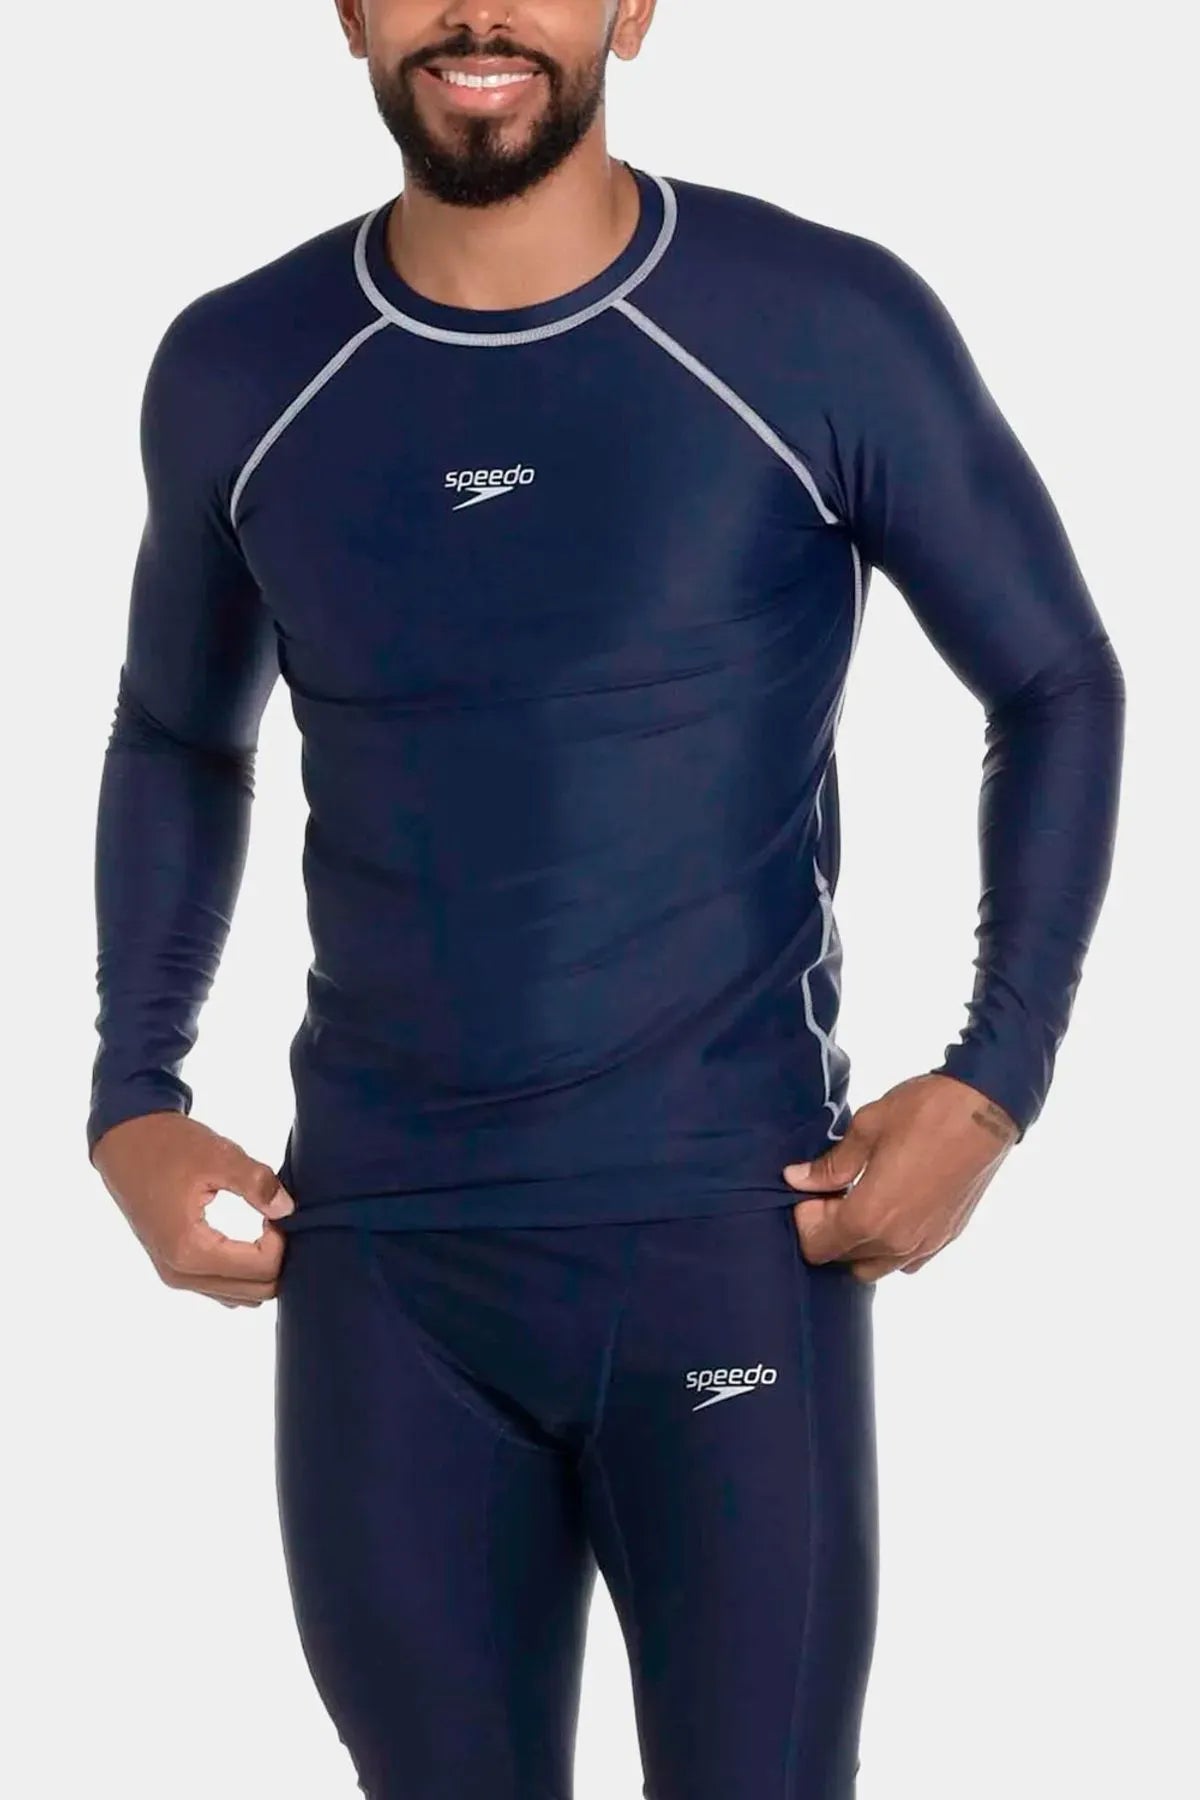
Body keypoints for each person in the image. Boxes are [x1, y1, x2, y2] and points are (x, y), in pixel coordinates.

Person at [85, 2, 1125, 1794]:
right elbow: (178, 732)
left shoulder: (814, 322)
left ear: (633, 5)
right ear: (347, 9)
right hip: (383, 1273)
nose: (479, 11)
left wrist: (996, 1078)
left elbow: (1057, 684)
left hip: (729, 1245)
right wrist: (133, 1096)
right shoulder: (240, 365)